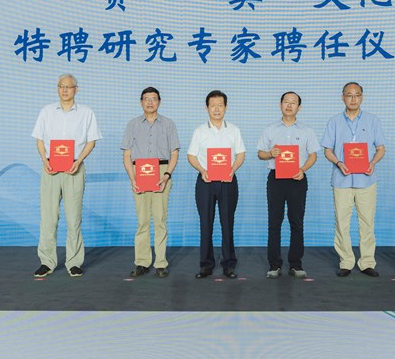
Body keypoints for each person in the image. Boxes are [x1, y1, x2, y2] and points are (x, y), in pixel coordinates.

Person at [31, 74, 101, 278]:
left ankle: (74, 262)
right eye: (61, 86)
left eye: (68, 87)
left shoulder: (86, 112)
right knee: (48, 218)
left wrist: (79, 161)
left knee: (73, 218)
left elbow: (91, 141)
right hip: (50, 169)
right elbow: (39, 140)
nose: (64, 90)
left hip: (74, 168)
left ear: (76, 89)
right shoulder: (46, 111)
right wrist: (45, 161)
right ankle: (47, 262)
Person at [321, 82, 386, 277]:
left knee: (367, 222)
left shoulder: (372, 120)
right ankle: (346, 261)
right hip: (342, 180)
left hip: (366, 180)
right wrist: (339, 162)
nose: (353, 99)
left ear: (362, 97)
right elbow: (327, 150)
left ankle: (367, 262)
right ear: (342, 98)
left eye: (357, 95)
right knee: (342, 222)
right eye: (349, 95)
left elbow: (381, 148)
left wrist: (373, 162)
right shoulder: (334, 121)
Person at [257, 92, 319, 279]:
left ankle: (296, 264)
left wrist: (303, 169)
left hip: (297, 179)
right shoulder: (270, 129)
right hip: (276, 179)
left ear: (299, 107)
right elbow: (260, 153)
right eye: (286, 102)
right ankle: (274, 265)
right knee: (274, 223)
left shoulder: (307, 130)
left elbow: (313, 155)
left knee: (296, 222)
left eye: (293, 103)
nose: (289, 105)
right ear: (280, 105)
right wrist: (270, 153)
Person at [121, 87, 180, 278]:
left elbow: (174, 153)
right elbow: (127, 154)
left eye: (153, 99)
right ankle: (142, 262)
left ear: (159, 102)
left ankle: (161, 263)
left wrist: (167, 175)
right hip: (139, 173)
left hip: (161, 172)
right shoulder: (132, 125)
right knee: (143, 220)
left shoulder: (168, 124)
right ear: (141, 102)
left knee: (160, 219)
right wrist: (133, 178)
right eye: (146, 99)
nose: (150, 102)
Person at [187, 90, 245, 279]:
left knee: (227, 223)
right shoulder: (199, 131)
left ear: (226, 107)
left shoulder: (234, 130)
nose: (217, 109)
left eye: (220, 105)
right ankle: (206, 264)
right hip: (205, 181)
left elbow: (241, 154)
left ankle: (229, 264)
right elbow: (191, 155)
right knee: (206, 223)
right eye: (213, 105)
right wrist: (202, 170)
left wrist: (232, 169)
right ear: (207, 108)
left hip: (228, 181)